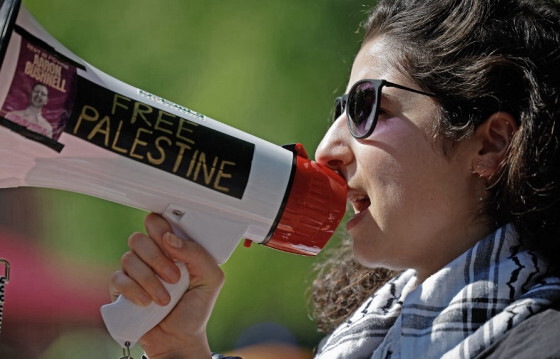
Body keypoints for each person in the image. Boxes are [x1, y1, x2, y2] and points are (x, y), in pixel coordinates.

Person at [109, 0, 560, 358]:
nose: (326, 148)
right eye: (340, 111)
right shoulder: (366, 339)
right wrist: (179, 351)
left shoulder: (544, 343)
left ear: (490, 144)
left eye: (367, 107)